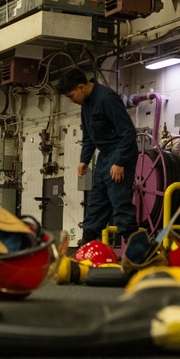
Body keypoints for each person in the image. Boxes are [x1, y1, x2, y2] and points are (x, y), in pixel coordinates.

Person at [58, 68, 139, 246]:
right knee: (96, 202)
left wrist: (120, 162)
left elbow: (128, 133)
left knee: (120, 204)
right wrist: (83, 160)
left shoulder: (107, 99)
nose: (72, 101)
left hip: (120, 153)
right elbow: (88, 136)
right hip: (104, 157)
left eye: (71, 96)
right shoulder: (86, 104)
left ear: (81, 87)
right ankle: (86, 246)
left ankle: (139, 253)